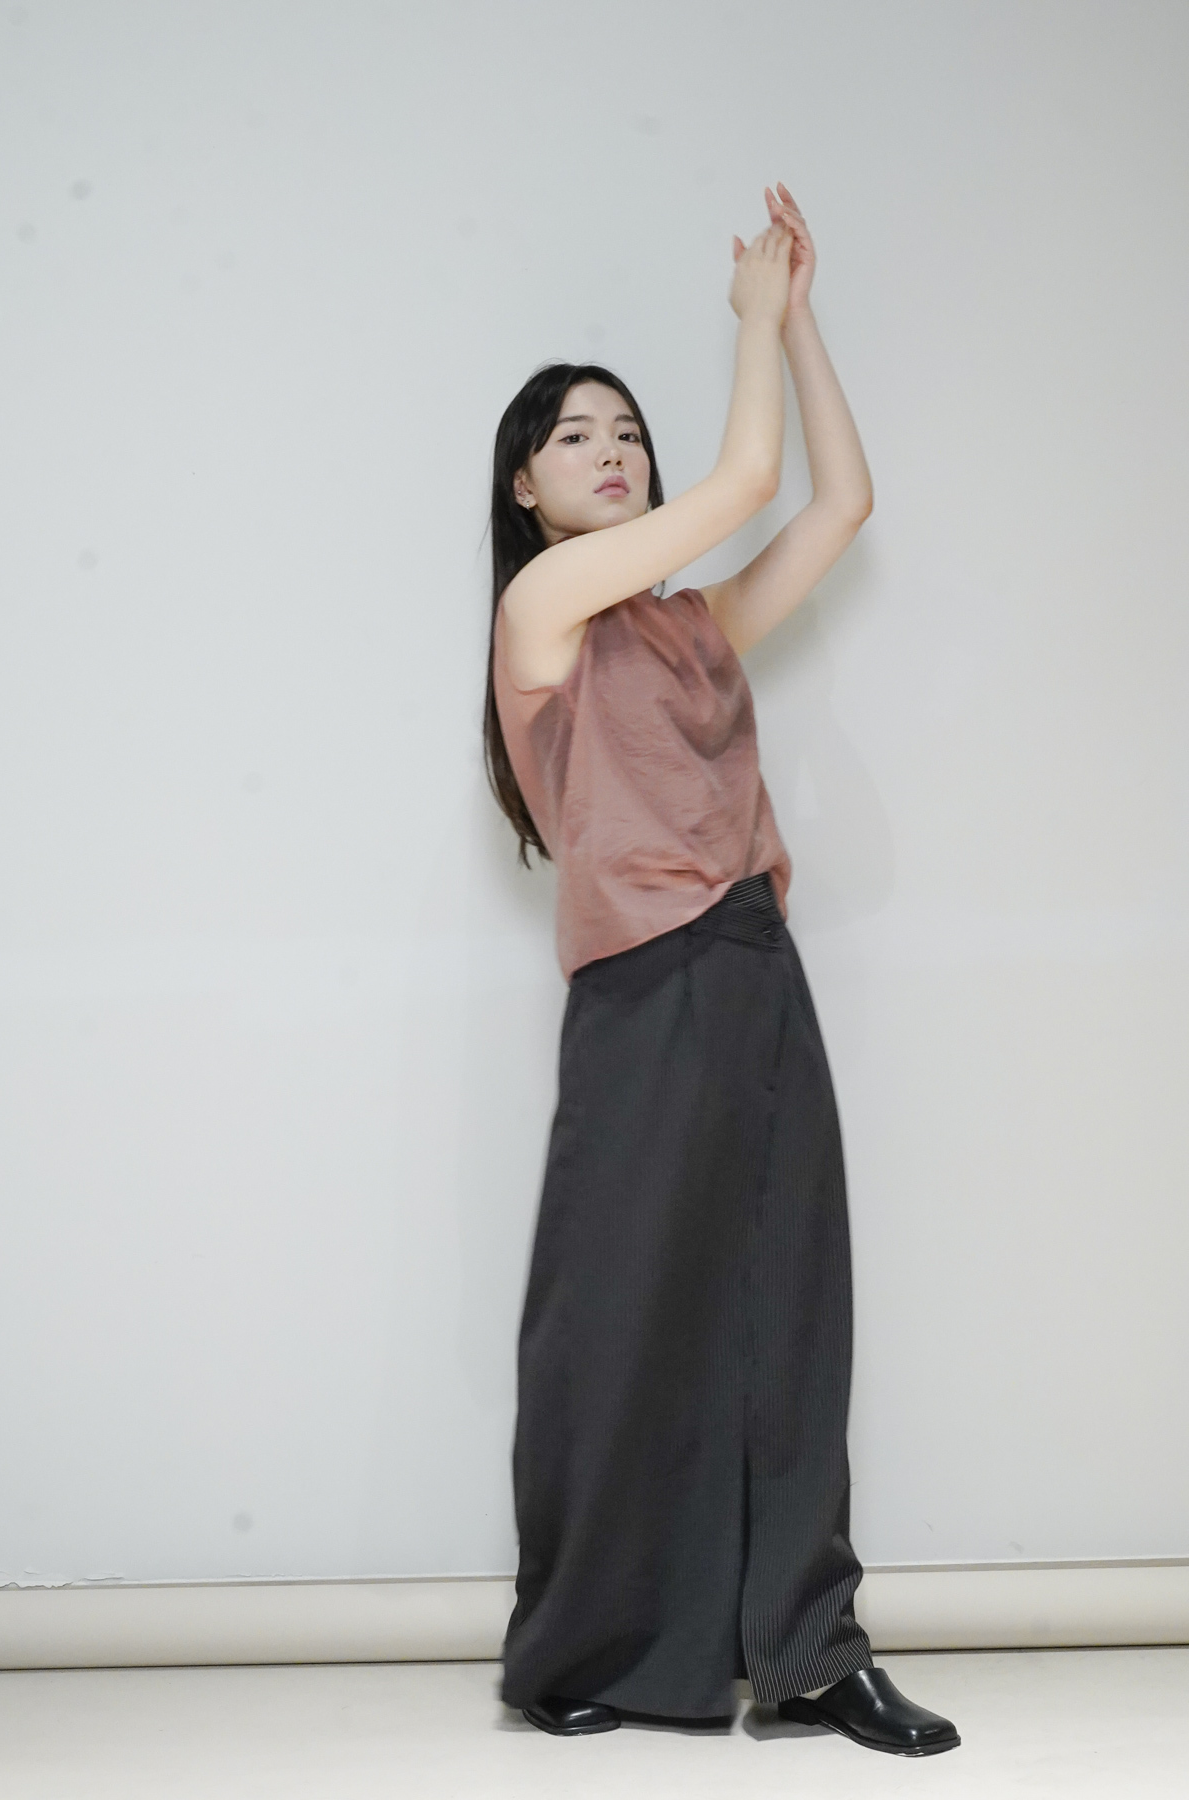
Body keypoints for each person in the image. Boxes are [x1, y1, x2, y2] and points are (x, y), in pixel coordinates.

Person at [482, 182, 960, 1759]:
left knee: (793, 1311)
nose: (611, 450)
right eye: (576, 437)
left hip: (755, 962)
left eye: (627, 429)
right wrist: (747, 317)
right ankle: (588, 1644)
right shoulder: (544, 606)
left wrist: (798, 322)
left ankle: (812, 1651)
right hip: (644, 988)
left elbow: (837, 503)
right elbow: (749, 478)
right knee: (621, 1319)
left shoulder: (690, 622)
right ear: (527, 488)